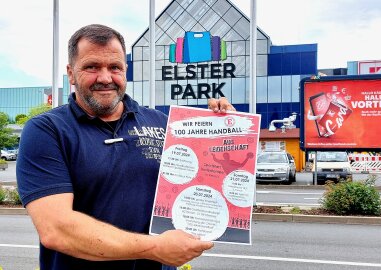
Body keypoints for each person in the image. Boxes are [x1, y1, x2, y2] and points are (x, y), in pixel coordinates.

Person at [16, 24, 235, 270]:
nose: (105, 78)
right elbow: (57, 230)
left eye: (115, 67)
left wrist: (225, 133)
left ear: (125, 71)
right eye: (92, 67)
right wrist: (155, 248)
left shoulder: (162, 123)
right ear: (71, 73)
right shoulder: (47, 130)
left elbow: (201, 186)